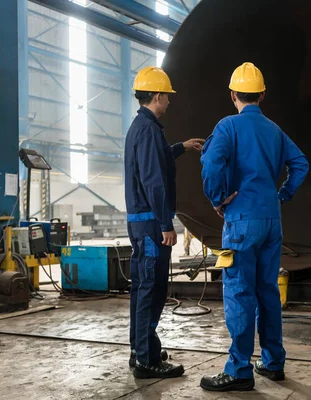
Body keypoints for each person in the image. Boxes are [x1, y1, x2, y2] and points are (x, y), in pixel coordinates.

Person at [199, 62, 309, 392]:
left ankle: (239, 370)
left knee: (240, 293)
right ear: (263, 95)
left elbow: (211, 163)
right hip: (271, 220)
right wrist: (283, 193)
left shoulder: (227, 126)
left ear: (233, 94)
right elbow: (301, 164)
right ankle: (273, 363)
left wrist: (219, 198)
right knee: (268, 292)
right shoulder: (275, 131)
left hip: (241, 221)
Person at [124, 66, 204, 379]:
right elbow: (153, 181)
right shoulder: (148, 129)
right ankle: (146, 359)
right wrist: (166, 224)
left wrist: (180, 148)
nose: (169, 102)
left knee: (144, 288)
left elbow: (155, 162)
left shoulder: (144, 128)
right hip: (150, 225)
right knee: (151, 289)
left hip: (142, 223)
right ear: (157, 96)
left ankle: (141, 349)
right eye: (167, 97)